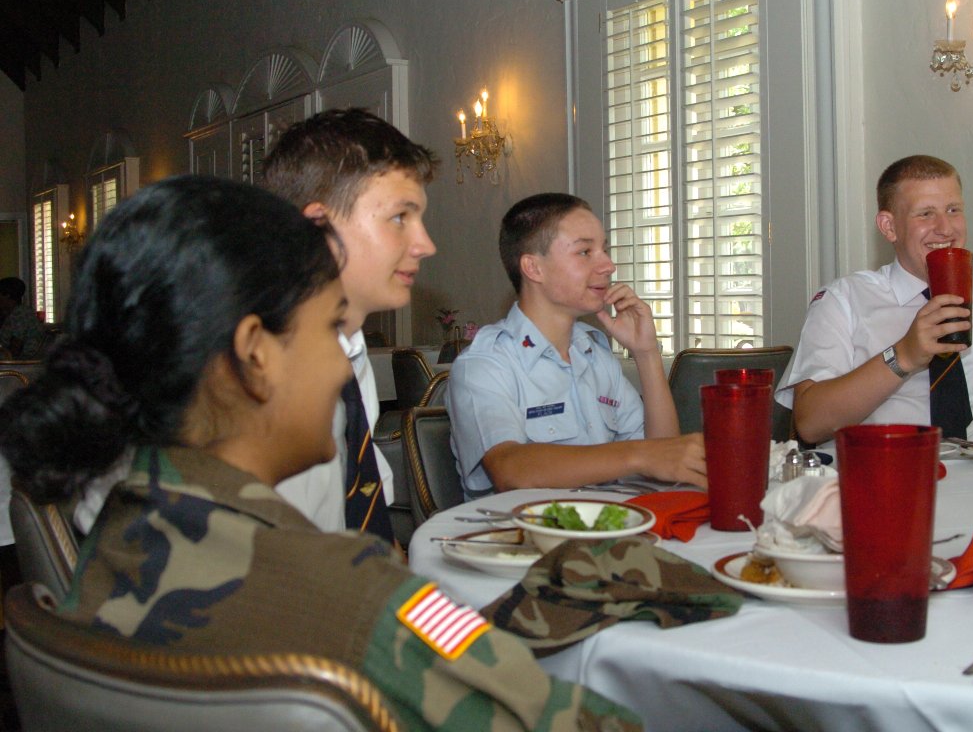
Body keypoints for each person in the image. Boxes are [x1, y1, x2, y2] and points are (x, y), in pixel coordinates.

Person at [0, 176, 640, 731]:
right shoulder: (366, 592)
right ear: (256, 354)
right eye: (333, 328)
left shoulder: (111, 535)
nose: (343, 367)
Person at [779, 155, 973, 444]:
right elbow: (810, 424)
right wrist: (903, 356)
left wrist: (967, 469)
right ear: (889, 226)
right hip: (877, 466)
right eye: (925, 214)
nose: (945, 228)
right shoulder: (842, 301)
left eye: (953, 210)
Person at [448, 193, 706, 499]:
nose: (608, 265)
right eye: (585, 252)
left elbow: (663, 456)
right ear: (533, 268)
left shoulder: (594, 354)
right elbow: (510, 468)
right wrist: (638, 455)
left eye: (604, 250)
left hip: (608, 520)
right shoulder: (484, 364)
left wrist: (646, 353)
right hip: (522, 527)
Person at [261, 108, 437, 539]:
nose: (425, 245)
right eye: (400, 217)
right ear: (318, 228)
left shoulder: (349, 352)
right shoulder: (264, 380)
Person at [0, 277, 46, 359]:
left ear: (7, 295)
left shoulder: (20, 314)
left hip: (22, 362)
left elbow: (15, 348)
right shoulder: (17, 312)